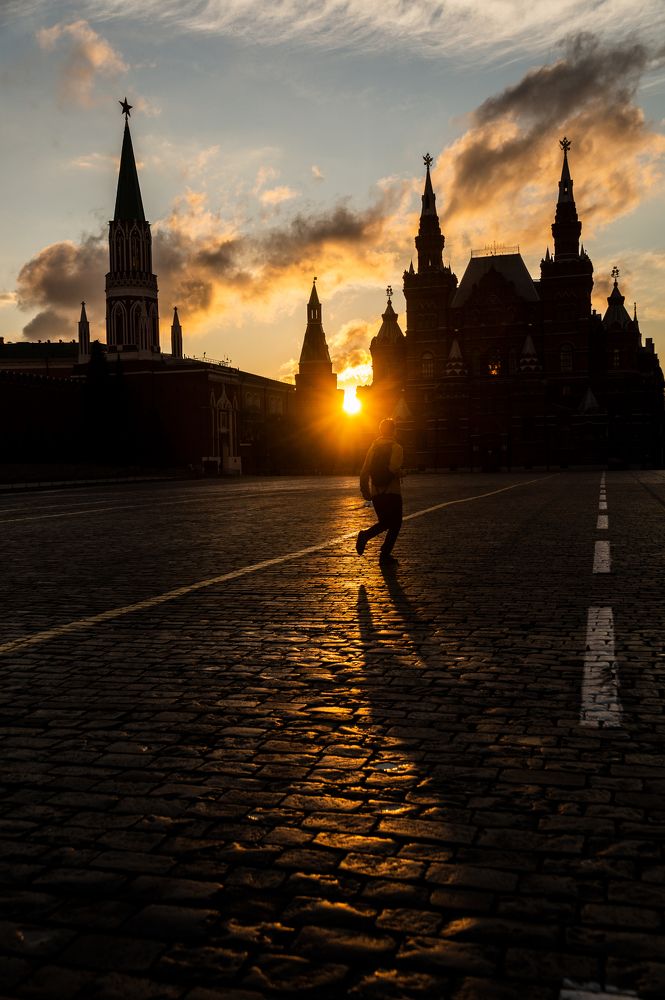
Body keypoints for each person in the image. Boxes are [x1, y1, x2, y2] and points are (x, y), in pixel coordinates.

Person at [356, 417, 403, 566]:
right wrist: (402, 473)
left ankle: (367, 537)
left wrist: (365, 489)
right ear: (394, 430)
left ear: (381, 430)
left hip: (376, 492)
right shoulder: (397, 447)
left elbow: (365, 470)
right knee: (395, 523)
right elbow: (393, 469)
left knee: (385, 522)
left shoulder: (373, 447)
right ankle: (384, 554)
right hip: (392, 492)